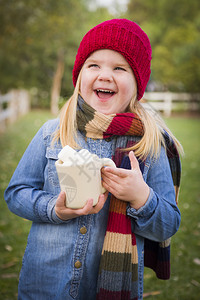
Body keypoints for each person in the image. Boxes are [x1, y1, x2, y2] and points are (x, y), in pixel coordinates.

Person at [4, 19, 182, 300]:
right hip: (45, 285)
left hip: (108, 287)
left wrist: (141, 197)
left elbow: (168, 225)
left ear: (137, 83)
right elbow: (16, 194)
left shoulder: (150, 144)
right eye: (94, 65)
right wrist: (55, 208)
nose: (105, 75)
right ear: (80, 75)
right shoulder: (52, 132)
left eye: (120, 68)